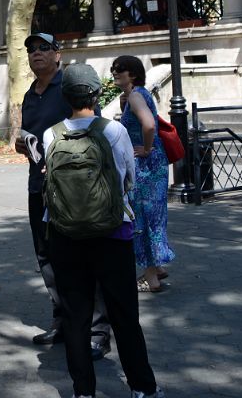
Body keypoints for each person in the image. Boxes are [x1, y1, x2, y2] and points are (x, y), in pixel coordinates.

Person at [44, 64, 165, 398]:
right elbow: (129, 179)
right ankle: (143, 388)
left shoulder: (51, 135)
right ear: (96, 95)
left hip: (65, 235)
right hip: (112, 234)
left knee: (75, 318)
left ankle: (83, 391)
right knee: (124, 315)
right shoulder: (114, 131)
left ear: (64, 96)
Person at [15, 32, 111, 359]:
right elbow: (34, 136)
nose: (36, 53)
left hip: (72, 189)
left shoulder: (70, 87)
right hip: (37, 186)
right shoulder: (30, 94)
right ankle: (63, 320)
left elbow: (88, 128)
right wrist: (23, 144)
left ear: (58, 54)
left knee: (83, 257)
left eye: (44, 48)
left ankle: (98, 331)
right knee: (47, 257)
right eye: (31, 49)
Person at [110, 56, 174, 294]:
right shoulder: (136, 95)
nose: (115, 73)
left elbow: (148, 125)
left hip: (146, 165)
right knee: (154, 215)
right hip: (154, 163)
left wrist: (146, 148)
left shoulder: (135, 96)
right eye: (113, 69)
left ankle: (150, 279)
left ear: (133, 74)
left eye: (120, 70)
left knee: (142, 218)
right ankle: (156, 267)